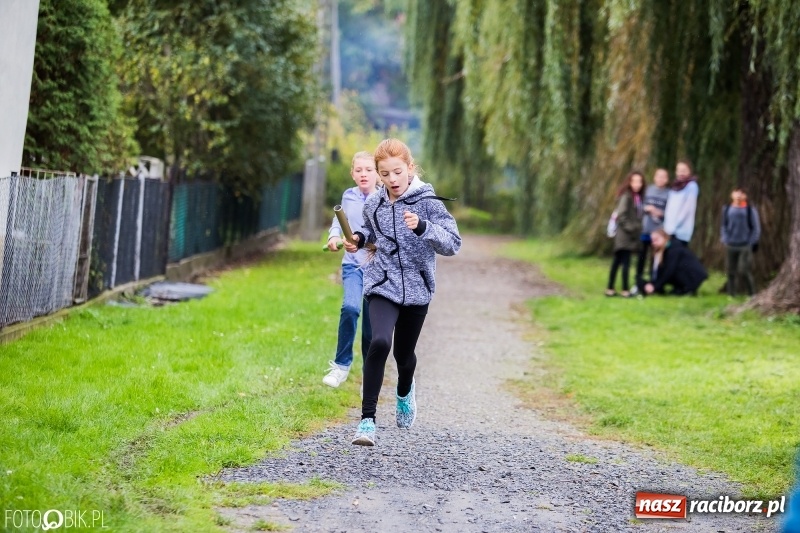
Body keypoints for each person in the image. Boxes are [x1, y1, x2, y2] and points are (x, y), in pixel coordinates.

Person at [343, 138, 461, 446]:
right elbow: (371, 231)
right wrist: (357, 237)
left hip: (418, 286)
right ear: (379, 175)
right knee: (379, 341)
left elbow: (453, 243)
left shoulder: (428, 201)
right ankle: (366, 421)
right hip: (382, 282)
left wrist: (423, 226)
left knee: (404, 355)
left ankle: (405, 390)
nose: (392, 180)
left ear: (410, 168)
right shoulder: (375, 203)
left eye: (397, 172)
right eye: (385, 174)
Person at [322, 151, 379, 388]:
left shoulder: (384, 200)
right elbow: (339, 221)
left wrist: (362, 243)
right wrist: (334, 237)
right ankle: (341, 366)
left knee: (370, 328)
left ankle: (370, 374)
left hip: (376, 269)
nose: (363, 174)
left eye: (368, 170)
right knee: (350, 307)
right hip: (352, 266)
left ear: (377, 173)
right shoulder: (348, 196)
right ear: (352, 174)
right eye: (359, 170)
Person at [606, 170, 644, 298]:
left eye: (640, 181)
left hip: (629, 234)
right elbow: (621, 215)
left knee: (617, 261)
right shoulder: (626, 196)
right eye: (635, 181)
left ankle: (610, 288)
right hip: (624, 235)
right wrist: (632, 228)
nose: (637, 184)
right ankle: (624, 289)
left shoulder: (637, 197)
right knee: (624, 262)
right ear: (629, 182)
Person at [721, 187, 761, 296]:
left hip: (745, 245)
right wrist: (725, 239)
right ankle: (731, 294)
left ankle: (752, 294)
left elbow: (756, 228)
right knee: (730, 271)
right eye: (736, 192)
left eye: (742, 193)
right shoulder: (727, 209)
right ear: (732, 194)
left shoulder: (749, 210)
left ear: (745, 196)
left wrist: (751, 242)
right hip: (731, 244)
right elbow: (723, 225)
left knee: (744, 270)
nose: (738, 195)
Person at [644, 228, 708, 296]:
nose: (653, 243)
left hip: (693, 275)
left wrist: (655, 286)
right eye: (652, 241)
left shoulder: (674, 249)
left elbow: (669, 270)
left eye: (656, 240)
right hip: (686, 274)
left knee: (672, 270)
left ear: (664, 238)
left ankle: (687, 289)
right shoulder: (663, 250)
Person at [635, 168, 670, 289]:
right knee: (642, 255)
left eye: (663, 177)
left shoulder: (669, 193)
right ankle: (638, 279)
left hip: (659, 232)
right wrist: (647, 209)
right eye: (658, 176)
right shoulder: (648, 190)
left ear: (667, 179)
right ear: (654, 177)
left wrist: (661, 213)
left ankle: (653, 280)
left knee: (655, 257)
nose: (660, 179)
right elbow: (640, 206)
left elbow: (671, 212)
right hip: (646, 229)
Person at [662, 159, 699, 247]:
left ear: (689, 171)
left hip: (680, 232)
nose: (681, 173)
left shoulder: (692, 186)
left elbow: (687, 209)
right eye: (679, 170)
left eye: (684, 170)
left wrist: (674, 227)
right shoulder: (674, 186)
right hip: (668, 230)